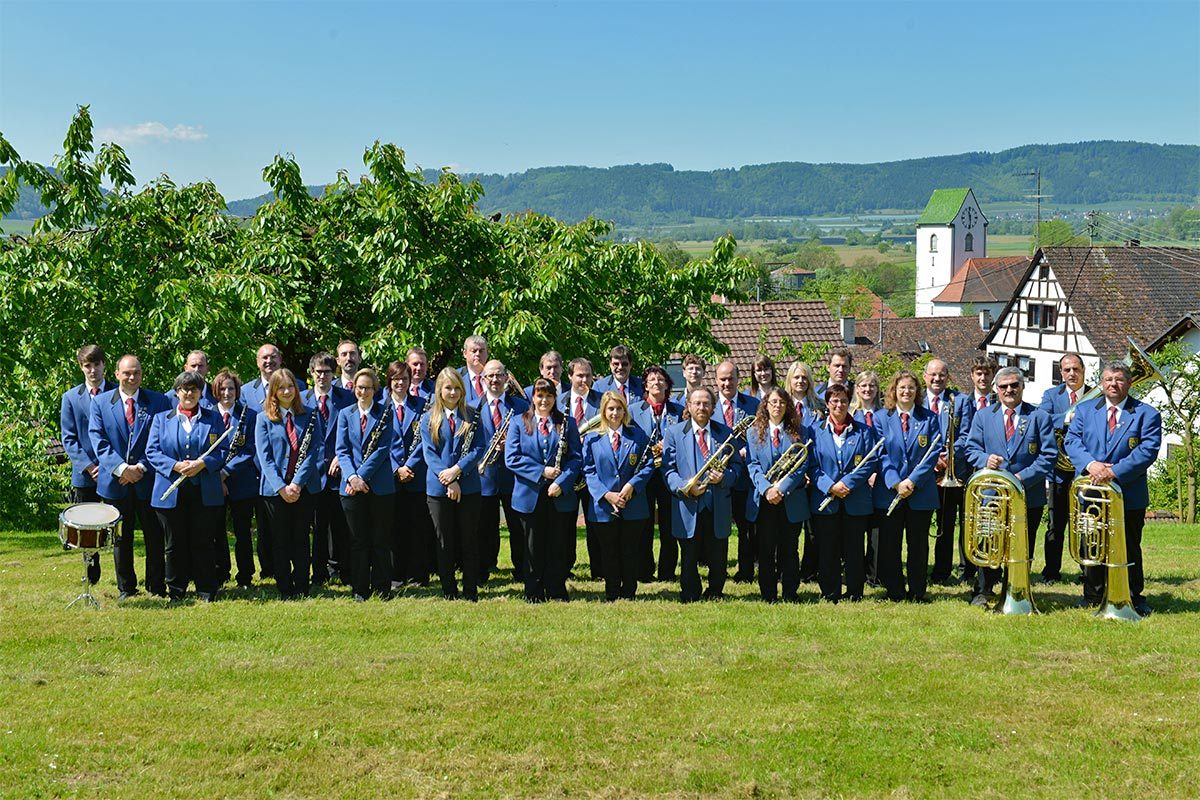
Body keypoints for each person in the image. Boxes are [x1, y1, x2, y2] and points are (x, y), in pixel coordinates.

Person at [1064, 362, 1161, 616]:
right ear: (1101, 383)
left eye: (1118, 379)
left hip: (1128, 492)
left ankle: (1132, 595)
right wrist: (1091, 464)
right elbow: (1071, 440)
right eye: (1108, 379)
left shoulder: (1147, 414)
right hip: (1091, 489)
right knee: (1091, 542)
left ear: (1129, 383)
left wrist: (1113, 471)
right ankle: (1093, 594)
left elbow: (1147, 451)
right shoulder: (1084, 410)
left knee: (1129, 544)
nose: (1113, 384)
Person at [962, 367, 1057, 607]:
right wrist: (985, 459)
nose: (1009, 390)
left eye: (1014, 385)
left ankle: (1015, 588)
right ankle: (983, 590)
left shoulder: (1039, 417)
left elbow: (1048, 455)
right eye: (1003, 386)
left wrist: (1021, 479)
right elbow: (971, 449)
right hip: (992, 494)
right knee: (988, 541)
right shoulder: (983, 416)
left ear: (1022, 387)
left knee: (1023, 542)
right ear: (995, 389)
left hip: (1028, 494)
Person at [88, 354, 172, 599]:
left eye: (136, 372)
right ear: (117, 375)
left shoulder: (158, 401)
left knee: (154, 537)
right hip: (115, 484)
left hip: (149, 481)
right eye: (126, 373)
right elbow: (99, 442)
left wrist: (141, 468)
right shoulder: (101, 403)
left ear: (141, 374)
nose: (132, 377)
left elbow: (163, 441)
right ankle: (126, 588)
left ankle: (157, 585)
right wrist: (122, 469)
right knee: (121, 540)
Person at [146, 371, 229, 602]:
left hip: (204, 490)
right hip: (171, 490)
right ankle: (176, 589)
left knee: (203, 541)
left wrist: (203, 463)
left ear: (201, 393)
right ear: (177, 392)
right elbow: (152, 452)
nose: (189, 393)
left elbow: (222, 450)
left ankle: (206, 589)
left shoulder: (213, 419)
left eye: (194, 389)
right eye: (185, 389)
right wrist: (175, 466)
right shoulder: (162, 419)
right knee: (174, 543)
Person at [406, 368, 485, 600]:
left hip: (468, 486)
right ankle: (449, 590)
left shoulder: (473, 415)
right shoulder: (428, 418)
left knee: (469, 540)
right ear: (439, 390)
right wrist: (447, 478)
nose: (452, 392)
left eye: (457, 388)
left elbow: (478, 448)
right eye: (447, 388)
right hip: (439, 489)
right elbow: (429, 454)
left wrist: (456, 471)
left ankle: (470, 591)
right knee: (444, 542)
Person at [661, 387, 743, 602]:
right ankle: (690, 591)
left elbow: (737, 467)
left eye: (706, 403)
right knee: (688, 553)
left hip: (717, 503)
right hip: (688, 503)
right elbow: (668, 470)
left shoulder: (725, 433)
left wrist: (724, 477)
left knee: (718, 553)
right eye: (697, 403)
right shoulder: (674, 433)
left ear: (713, 407)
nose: (701, 407)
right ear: (689, 405)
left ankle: (715, 591)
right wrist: (684, 487)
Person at [506, 378, 582, 602]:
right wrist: (542, 471)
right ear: (533, 398)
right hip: (530, 493)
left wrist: (562, 482)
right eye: (540, 395)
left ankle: (556, 589)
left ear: (554, 398)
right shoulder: (519, 423)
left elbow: (576, 458)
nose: (544, 400)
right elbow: (512, 458)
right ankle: (533, 591)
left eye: (548, 396)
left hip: (558, 493)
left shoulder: (568, 423)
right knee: (532, 544)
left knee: (557, 543)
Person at [254, 368, 324, 600]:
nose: (286, 391)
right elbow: (265, 458)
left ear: (297, 389)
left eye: (290, 387)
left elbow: (314, 452)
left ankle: (302, 585)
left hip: (303, 488)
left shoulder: (311, 415)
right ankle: (284, 586)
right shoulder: (262, 419)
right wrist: (282, 487)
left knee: (301, 538)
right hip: (275, 491)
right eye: (281, 387)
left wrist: (296, 483)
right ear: (273, 391)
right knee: (280, 539)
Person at [876, 370, 942, 602]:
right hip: (889, 493)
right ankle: (894, 591)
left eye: (911, 388)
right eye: (902, 387)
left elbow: (933, 452)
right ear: (894, 390)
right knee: (890, 544)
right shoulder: (881, 418)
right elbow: (880, 454)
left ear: (917, 392)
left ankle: (917, 591)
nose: (906, 392)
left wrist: (912, 481)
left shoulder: (929, 418)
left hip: (920, 492)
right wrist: (896, 482)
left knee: (918, 545)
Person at [810, 383, 879, 603]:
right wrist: (830, 486)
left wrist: (847, 483)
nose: (838, 405)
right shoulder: (815, 431)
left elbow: (870, 462)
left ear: (849, 403)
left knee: (854, 548)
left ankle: (854, 591)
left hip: (855, 498)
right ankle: (829, 592)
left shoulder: (864, 431)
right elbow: (812, 465)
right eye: (834, 400)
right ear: (827, 403)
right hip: (826, 499)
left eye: (843, 401)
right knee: (828, 548)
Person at [583, 391, 654, 600]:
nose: (615, 413)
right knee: (609, 551)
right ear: (603, 411)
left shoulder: (637, 435)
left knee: (630, 550)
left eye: (619, 408)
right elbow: (588, 471)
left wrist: (633, 485)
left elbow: (648, 464)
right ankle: (612, 592)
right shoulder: (592, 438)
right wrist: (606, 495)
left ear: (625, 410)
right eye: (610, 409)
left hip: (633, 503)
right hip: (604, 506)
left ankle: (629, 591)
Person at [745, 387, 813, 602]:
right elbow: (753, 465)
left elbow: (802, 465)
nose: (777, 406)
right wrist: (767, 489)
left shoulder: (801, 431)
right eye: (773, 402)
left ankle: (790, 592)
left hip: (790, 498)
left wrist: (781, 489)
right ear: (765, 404)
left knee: (790, 549)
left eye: (782, 402)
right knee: (766, 550)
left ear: (788, 406)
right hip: (764, 500)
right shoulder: (754, 432)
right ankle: (768, 594)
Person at [336, 367, 395, 601]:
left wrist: (362, 477)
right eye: (359, 387)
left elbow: (382, 450)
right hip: (351, 485)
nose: (363, 391)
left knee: (380, 539)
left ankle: (382, 587)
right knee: (358, 540)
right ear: (354, 389)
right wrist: (352, 477)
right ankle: (360, 589)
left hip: (379, 485)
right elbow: (342, 450)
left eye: (368, 388)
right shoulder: (345, 414)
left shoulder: (385, 413)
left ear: (375, 390)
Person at [59, 344, 116, 585]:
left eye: (96, 364)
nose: (93, 370)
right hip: (85, 474)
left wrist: (109, 465)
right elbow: (68, 437)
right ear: (81, 368)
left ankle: (125, 579)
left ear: (105, 365)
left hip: (114, 471)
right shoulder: (71, 398)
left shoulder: (117, 393)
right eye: (87, 366)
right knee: (88, 527)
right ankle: (91, 573)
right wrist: (88, 466)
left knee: (116, 525)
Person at [1038, 352, 1090, 583]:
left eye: (1075, 369)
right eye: (1067, 370)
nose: (1071, 373)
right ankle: (1051, 572)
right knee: (1055, 524)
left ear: (1083, 370)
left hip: (1086, 469)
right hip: (1059, 470)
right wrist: (1068, 417)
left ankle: (1088, 572)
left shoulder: (1095, 395)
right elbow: (1041, 419)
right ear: (1061, 373)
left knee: (1086, 522)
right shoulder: (1051, 395)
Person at [629, 365, 685, 582]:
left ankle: (667, 572)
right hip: (644, 474)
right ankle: (644, 571)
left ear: (667, 384)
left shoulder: (678, 411)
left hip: (669, 473)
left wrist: (668, 445)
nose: (656, 383)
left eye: (661, 379)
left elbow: (683, 440)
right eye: (652, 379)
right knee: (643, 524)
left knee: (669, 526)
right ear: (645, 384)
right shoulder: (633, 410)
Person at [476, 359, 529, 581]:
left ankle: (522, 570)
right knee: (483, 528)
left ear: (506, 378)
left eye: (499, 375)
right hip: (483, 476)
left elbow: (531, 437)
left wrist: (513, 444)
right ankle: (483, 569)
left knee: (518, 528)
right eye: (490, 376)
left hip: (513, 477)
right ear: (483, 379)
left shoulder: (521, 406)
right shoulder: (471, 406)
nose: (495, 380)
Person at [303, 353, 354, 585]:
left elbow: (353, 434)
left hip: (339, 471)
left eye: (327, 372)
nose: (322, 376)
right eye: (318, 372)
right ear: (311, 373)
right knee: (317, 527)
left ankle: (344, 570)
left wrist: (339, 459)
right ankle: (318, 573)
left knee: (341, 525)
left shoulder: (348, 398)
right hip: (311, 473)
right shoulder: (301, 401)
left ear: (334, 374)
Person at [923, 358, 975, 586]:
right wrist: (932, 458)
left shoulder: (961, 401)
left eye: (942, 375)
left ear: (948, 377)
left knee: (960, 522)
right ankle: (936, 570)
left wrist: (948, 457)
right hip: (926, 474)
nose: (937, 379)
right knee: (936, 524)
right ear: (925, 376)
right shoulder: (917, 400)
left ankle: (965, 570)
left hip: (955, 472)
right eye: (933, 374)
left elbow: (967, 435)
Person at [385, 360, 433, 586]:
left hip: (417, 475)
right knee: (393, 527)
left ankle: (417, 575)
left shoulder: (423, 405)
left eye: (404, 379)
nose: (401, 383)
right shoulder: (379, 406)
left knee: (418, 527)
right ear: (390, 381)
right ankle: (396, 574)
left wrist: (409, 466)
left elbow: (426, 440)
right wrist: (397, 468)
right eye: (396, 379)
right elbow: (379, 443)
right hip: (390, 477)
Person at [211, 369, 258, 589]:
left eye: (231, 388)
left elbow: (250, 450)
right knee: (216, 531)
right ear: (215, 390)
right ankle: (221, 572)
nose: (227, 392)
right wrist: (217, 476)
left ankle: (245, 576)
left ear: (237, 391)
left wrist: (226, 472)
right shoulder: (207, 414)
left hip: (241, 482)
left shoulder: (250, 415)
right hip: (213, 483)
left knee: (242, 532)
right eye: (222, 388)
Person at [714, 360, 760, 582]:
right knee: (718, 528)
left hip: (744, 477)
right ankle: (718, 569)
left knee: (746, 528)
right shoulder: (708, 405)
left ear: (738, 379)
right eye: (722, 379)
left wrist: (747, 451)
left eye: (731, 378)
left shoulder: (753, 404)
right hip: (718, 477)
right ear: (716, 381)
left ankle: (746, 571)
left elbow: (761, 437)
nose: (727, 383)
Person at [558, 357, 603, 578]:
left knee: (596, 521)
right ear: (570, 377)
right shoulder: (558, 402)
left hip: (596, 471)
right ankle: (565, 567)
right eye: (579, 375)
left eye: (587, 375)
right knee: (565, 522)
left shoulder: (603, 401)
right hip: (568, 470)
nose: (584, 379)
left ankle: (600, 569)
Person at [785, 360, 823, 580]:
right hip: (789, 474)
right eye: (796, 377)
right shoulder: (781, 403)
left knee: (813, 528)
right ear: (789, 379)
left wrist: (809, 470)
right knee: (789, 527)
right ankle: (786, 569)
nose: (800, 381)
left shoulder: (819, 407)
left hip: (813, 473)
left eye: (804, 377)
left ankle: (809, 571)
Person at [850, 370, 884, 587]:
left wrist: (875, 472)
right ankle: (855, 571)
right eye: (863, 385)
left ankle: (875, 573)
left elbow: (888, 446)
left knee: (876, 532)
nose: (867, 389)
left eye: (871, 385)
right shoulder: (850, 413)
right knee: (855, 530)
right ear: (857, 389)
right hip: (856, 479)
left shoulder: (885, 414)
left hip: (879, 478)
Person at [459, 334, 489, 406]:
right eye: (474, 351)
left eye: (481, 351)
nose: (478, 354)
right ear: (465, 354)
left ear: (487, 353)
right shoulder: (455, 377)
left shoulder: (498, 377)